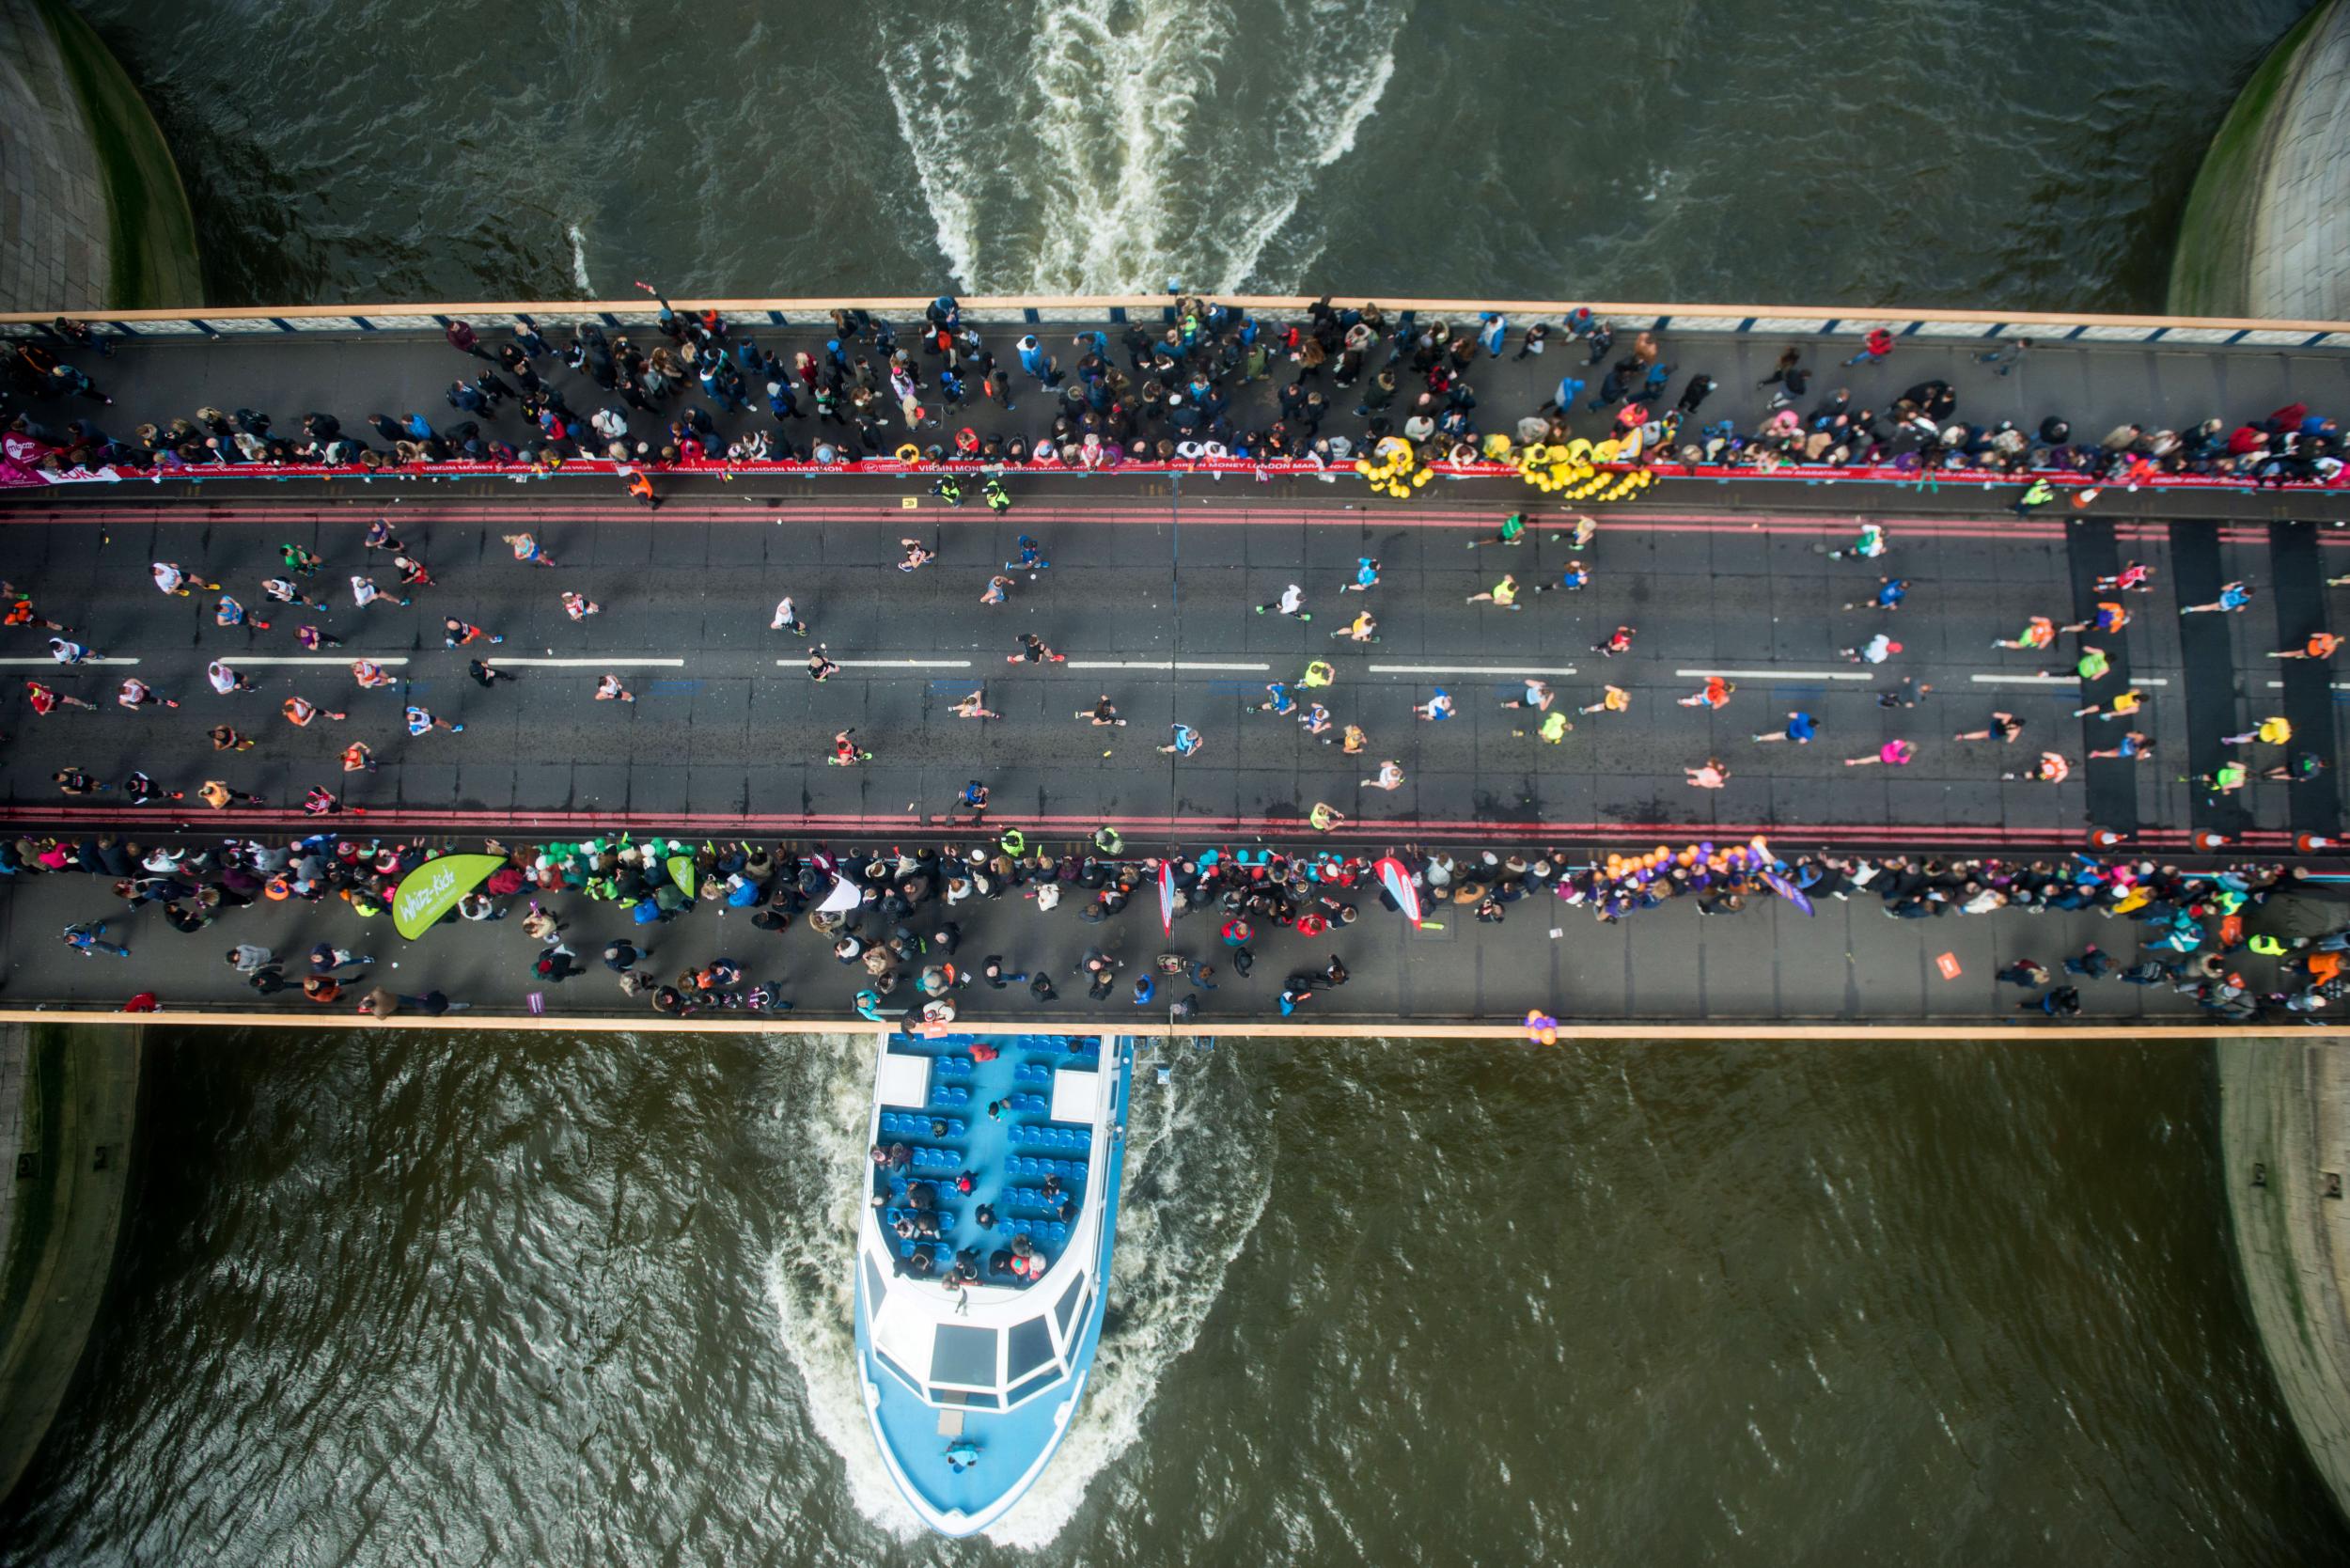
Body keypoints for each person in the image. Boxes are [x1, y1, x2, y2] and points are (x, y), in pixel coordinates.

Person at [2181, 581, 2255, 615]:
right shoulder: (2238, 588)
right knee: (2209, 608)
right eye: (2243, 591)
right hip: (2222, 601)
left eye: (2244, 593)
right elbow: (2223, 588)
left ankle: (2191, 609)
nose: (2242, 592)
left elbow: (2239, 610)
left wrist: (2241, 607)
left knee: (2215, 609)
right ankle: (2189, 609)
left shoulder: (2245, 600)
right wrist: (2232, 585)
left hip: (2225, 606)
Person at [1753, 711, 1818, 745]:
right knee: (1778, 736)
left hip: (1791, 726)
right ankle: (1757, 738)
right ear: (1813, 727)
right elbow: (1801, 741)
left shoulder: (1805, 717)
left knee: (1779, 734)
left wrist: (1787, 714)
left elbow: (1791, 715)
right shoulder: (1810, 733)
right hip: (1791, 735)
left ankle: (1758, 738)